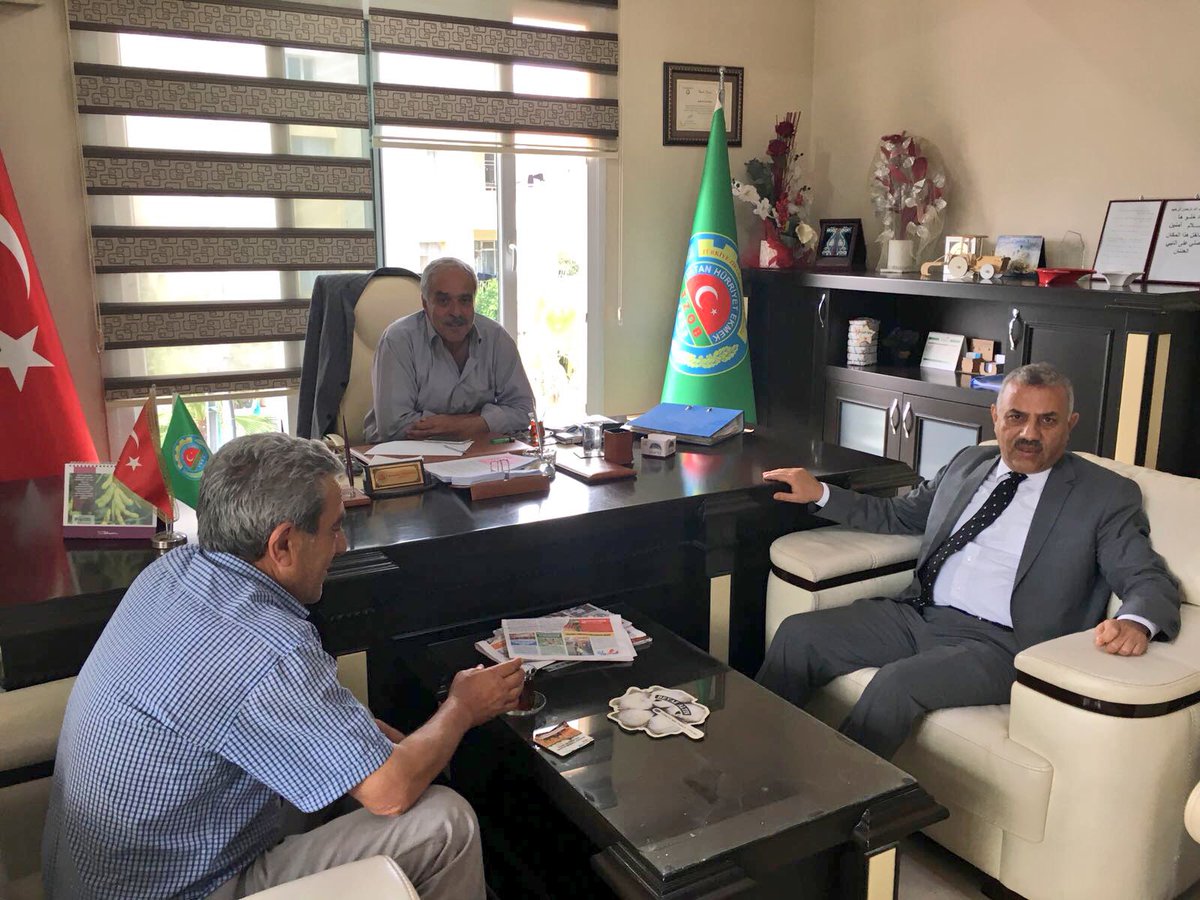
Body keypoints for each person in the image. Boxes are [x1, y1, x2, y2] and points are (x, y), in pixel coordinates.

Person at [42, 433, 525, 900]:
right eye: (334, 528)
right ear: (283, 545)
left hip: (86, 879)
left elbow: (283, 712)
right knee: (446, 822)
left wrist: (378, 744)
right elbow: (391, 792)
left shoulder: (171, 571)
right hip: (185, 888)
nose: (341, 546)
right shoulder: (267, 647)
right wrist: (461, 708)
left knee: (346, 776)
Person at [756, 362, 1180, 760]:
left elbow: (1145, 576)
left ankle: (836, 800)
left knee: (896, 685)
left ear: (1070, 425)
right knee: (800, 635)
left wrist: (1135, 622)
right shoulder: (969, 462)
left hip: (1000, 645)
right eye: (1016, 417)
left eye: (1047, 420)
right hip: (918, 615)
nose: (1029, 433)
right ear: (996, 417)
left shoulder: (1103, 494)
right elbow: (903, 515)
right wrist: (822, 494)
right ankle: (755, 760)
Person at [364, 257, 535, 443]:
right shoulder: (398, 340)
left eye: (465, 300)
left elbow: (525, 411)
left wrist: (458, 425)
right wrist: (481, 421)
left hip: (479, 451)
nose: (456, 312)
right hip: (404, 454)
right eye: (444, 301)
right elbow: (394, 427)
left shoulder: (496, 338)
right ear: (425, 303)